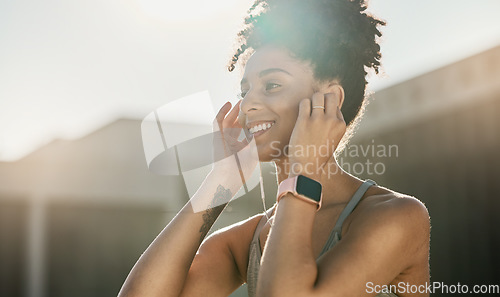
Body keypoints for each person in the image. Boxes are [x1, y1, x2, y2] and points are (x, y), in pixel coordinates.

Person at [118, 0, 431, 296]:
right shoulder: (251, 238)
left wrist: (304, 171)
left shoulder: (396, 216)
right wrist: (222, 181)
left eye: (272, 85)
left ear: (329, 100)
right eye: (245, 89)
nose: (248, 103)